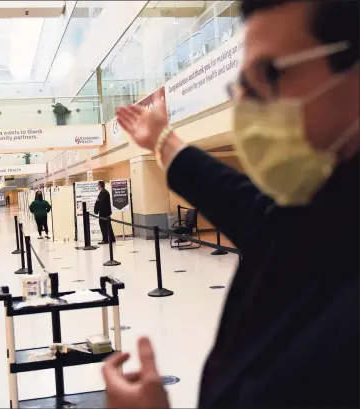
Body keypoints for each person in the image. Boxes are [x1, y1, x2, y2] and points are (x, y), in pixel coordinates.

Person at [104, 0, 359, 407]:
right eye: (244, 85)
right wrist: (160, 139)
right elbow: (242, 204)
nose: (247, 105)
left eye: (270, 74)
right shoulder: (321, 212)